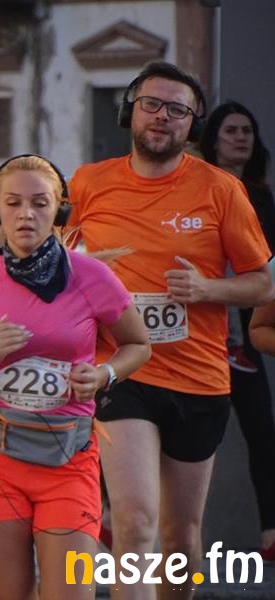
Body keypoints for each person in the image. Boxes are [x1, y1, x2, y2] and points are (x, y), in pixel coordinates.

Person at [66, 61, 273, 600]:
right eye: (152, 104)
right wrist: (73, 266)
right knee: (134, 522)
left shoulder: (222, 189)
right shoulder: (88, 182)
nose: (162, 116)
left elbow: (262, 284)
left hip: (199, 378)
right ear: (130, 111)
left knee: (181, 539)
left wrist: (207, 289)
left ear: (193, 125)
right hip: (121, 372)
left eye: (177, 109)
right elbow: (54, 261)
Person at [0, 154, 150, 600]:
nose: (26, 214)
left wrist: (104, 374)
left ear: (59, 211)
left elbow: (139, 345)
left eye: (39, 203)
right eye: (13, 203)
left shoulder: (92, 277)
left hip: (68, 457)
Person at [199, 100, 275, 561]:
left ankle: (270, 533)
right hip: (199, 331)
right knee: (182, 434)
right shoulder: (197, 189)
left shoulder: (262, 197)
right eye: (231, 130)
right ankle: (113, 513)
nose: (241, 137)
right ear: (213, 140)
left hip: (245, 336)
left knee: (263, 430)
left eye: (247, 130)